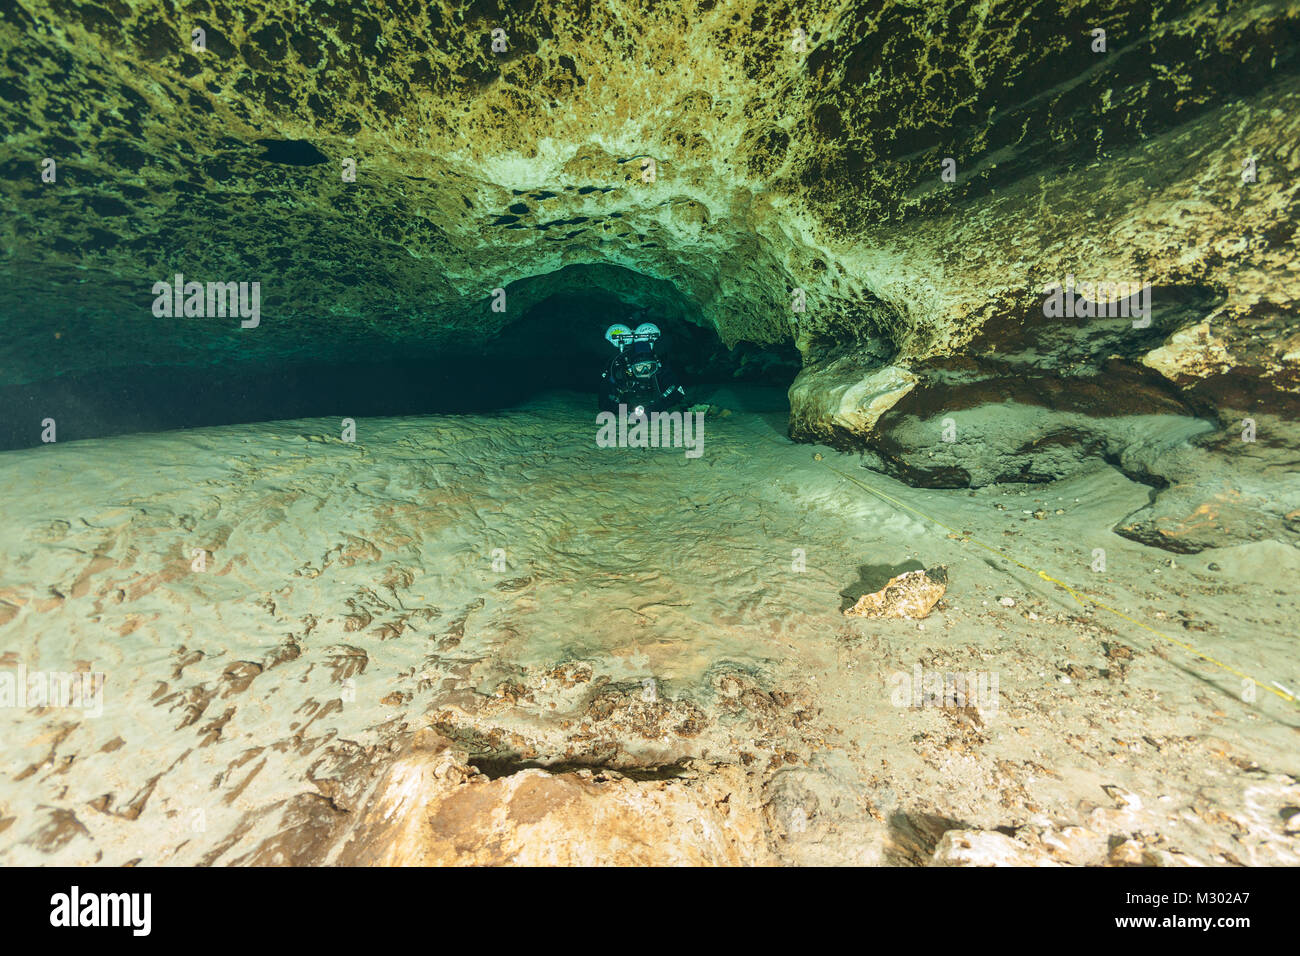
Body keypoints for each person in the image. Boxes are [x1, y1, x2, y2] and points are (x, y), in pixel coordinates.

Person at [600, 321, 686, 416]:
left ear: (655, 365)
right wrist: (627, 411)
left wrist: (653, 410)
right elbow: (604, 401)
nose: (645, 371)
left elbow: (678, 392)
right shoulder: (620, 375)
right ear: (631, 368)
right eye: (639, 367)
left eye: (649, 366)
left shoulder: (660, 371)